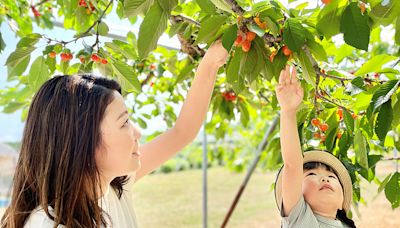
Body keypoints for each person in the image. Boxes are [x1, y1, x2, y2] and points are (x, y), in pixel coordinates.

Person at [1, 41, 228, 228]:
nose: (138, 132)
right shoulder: (46, 224)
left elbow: (182, 132)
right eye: (125, 123)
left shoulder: (111, 188)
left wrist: (210, 64)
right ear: (84, 144)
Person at [274, 65, 356, 228]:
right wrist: (288, 112)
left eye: (332, 177)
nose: (325, 178)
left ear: (342, 203)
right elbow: (293, 165)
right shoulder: (302, 221)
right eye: (311, 173)